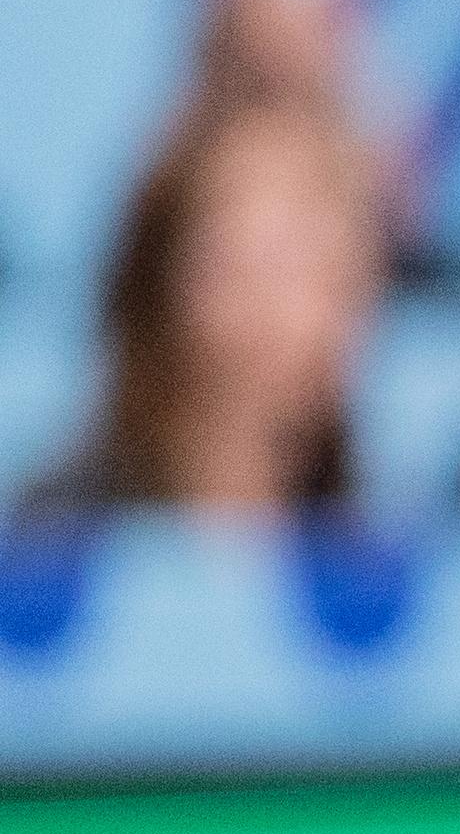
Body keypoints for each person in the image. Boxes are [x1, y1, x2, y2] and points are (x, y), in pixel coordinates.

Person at [24, 87, 388, 519]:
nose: (274, 308)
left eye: (311, 261)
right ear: (158, 284)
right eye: (238, 262)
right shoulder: (54, 543)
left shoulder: (381, 541)